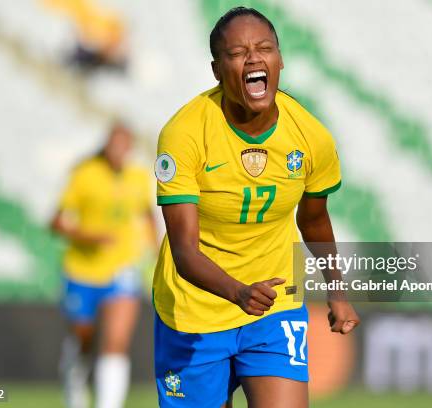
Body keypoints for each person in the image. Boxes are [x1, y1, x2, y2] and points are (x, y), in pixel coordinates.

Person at [153, 7, 360, 408]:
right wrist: (237, 291)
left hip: (273, 303)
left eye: (264, 48)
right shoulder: (183, 134)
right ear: (216, 69)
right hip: (195, 310)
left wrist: (337, 291)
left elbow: (314, 221)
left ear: (280, 61)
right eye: (237, 52)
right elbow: (184, 253)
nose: (253, 58)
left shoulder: (311, 136)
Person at [51, 122, 156, 408]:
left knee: (116, 342)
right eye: (115, 145)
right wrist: (88, 236)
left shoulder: (138, 176)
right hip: (82, 270)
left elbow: (147, 215)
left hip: (122, 269)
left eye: (125, 146)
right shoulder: (85, 174)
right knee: (83, 337)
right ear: (106, 146)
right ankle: (74, 378)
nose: (120, 151)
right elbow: (57, 221)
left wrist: (156, 250)